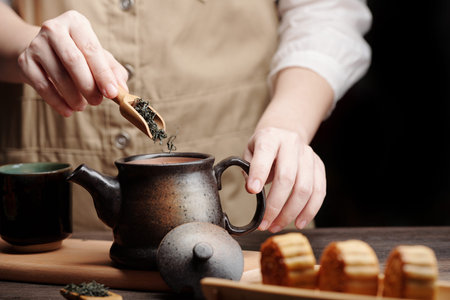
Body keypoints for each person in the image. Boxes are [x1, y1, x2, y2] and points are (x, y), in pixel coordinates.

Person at [0, 0, 371, 232]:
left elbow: (326, 12)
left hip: (247, 224)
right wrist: (24, 43)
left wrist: (289, 121)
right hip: (57, 236)